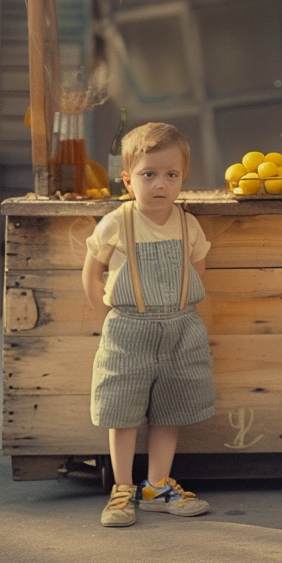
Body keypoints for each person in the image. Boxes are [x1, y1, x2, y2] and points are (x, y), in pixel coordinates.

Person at [82, 122, 215, 527]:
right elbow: (91, 274)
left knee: (170, 408)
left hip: (180, 328)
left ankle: (157, 485)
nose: (160, 184)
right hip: (128, 330)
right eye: (148, 175)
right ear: (128, 179)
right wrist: (110, 317)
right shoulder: (115, 224)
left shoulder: (187, 224)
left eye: (171, 175)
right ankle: (122, 488)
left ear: (182, 179)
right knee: (122, 409)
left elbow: (197, 271)